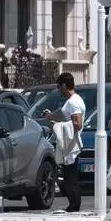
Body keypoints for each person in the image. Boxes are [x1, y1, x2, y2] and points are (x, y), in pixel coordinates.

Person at [43, 72, 85, 213]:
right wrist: (53, 118)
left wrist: (60, 125)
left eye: (59, 86)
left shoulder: (73, 102)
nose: (58, 90)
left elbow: (77, 123)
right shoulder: (76, 99)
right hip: (71, 143)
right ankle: (73, 205)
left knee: (70, 178)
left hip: (71, 144)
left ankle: (74, 206)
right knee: (70, 177)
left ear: (64, 86)